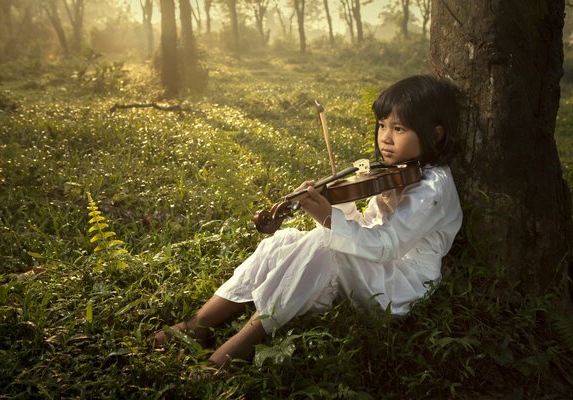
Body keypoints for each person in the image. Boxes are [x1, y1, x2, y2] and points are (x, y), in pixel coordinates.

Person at [149, 75, 463, 372]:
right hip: (374, 271)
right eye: (382, 125)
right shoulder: (397, 172)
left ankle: (239, 346)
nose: (385, 138)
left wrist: (327, 217)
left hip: (399, 287)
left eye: (399, 129)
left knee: (323, 243)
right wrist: (339, 203)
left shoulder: (431, 189)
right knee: (282, 240)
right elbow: (366, 225)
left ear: (434, 135)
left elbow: (384, 246)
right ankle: (199, 324)